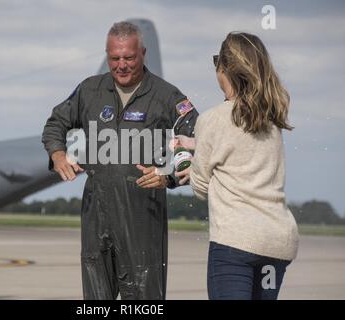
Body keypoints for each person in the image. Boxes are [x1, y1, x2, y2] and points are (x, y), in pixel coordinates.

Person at [42, 21, 198, 299]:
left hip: (142, 218)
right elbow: (56, 123)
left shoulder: (166, 95)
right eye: (114, 58)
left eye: (129, 57)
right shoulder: (89, 90)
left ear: (143, 53)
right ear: (107, 54)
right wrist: (57, 154)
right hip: (97, 215)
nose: (121, 65)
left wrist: (169, 176)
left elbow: (196, 137)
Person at [176, 32, 299, 300]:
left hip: (237, 243)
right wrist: (197, 144)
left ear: (225, 69)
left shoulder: (212, 119)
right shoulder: (270, 117)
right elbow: (243, 147)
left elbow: (200, 188)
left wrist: (190, 160)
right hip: (277, 243)